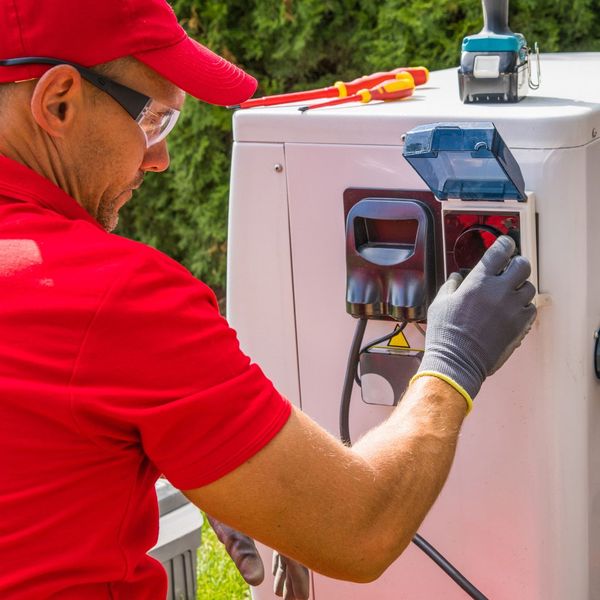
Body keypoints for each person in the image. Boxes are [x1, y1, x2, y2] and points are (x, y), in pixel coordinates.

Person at [0, 1, 537, 599]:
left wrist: (199, 454)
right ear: (58, 103)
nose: (159, 159)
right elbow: (359, 528)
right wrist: (453, 362)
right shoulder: (114, 297)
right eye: (153, 119)